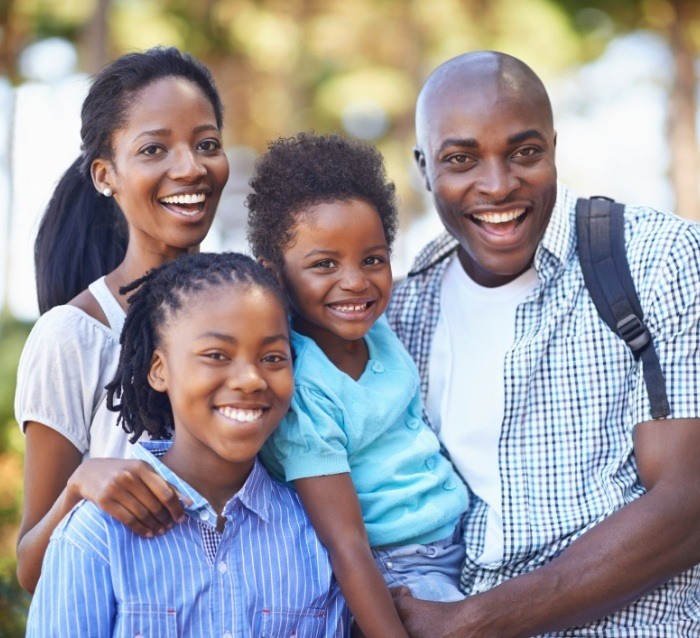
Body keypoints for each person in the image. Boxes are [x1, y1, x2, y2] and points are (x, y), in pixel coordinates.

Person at [387, 50, 700, 637]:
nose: (498, 185)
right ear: (425, 168)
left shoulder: (658, 260)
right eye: (461, 160)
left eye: (524, 152)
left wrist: (476, 622)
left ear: (554, 146)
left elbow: (688, 506)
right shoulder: (402, 313)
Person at [25, 251, 349, 637]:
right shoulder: (96, 536)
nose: (250, 379)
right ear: (159, 370)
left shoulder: (314, 532)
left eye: (272, 357)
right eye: (216, 355)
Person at [14, 46, 230, 593]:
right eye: (154, 149)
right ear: (106, 174)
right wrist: (80, 488)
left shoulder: (256, 313)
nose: (191, 167)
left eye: (207, 144)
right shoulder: (74, 336)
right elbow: (32, 569)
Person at [247, 132, 469, 638]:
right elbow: (346, 546)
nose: (356, 282)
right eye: (325, 264)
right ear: (274, 277)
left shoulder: (376, 329)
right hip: (395, 571)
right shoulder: (302, 390)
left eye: (372, 259)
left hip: (457, 542)